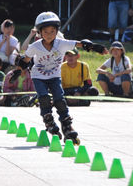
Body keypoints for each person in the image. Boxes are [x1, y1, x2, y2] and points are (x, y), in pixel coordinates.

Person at [17, 11, 107, 144]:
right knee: (44, 98)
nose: (49, 34)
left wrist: (94, 47)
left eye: (52, 31)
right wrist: (18, 70)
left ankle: (67, 125)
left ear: (57, 31)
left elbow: (80, 44)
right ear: (40, 32)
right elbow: (25, 60)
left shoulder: (61, 43)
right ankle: (49, 121)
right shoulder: (35, 46)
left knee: (59, 99)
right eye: (46, 32)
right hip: (38, 76)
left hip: (54, 76)